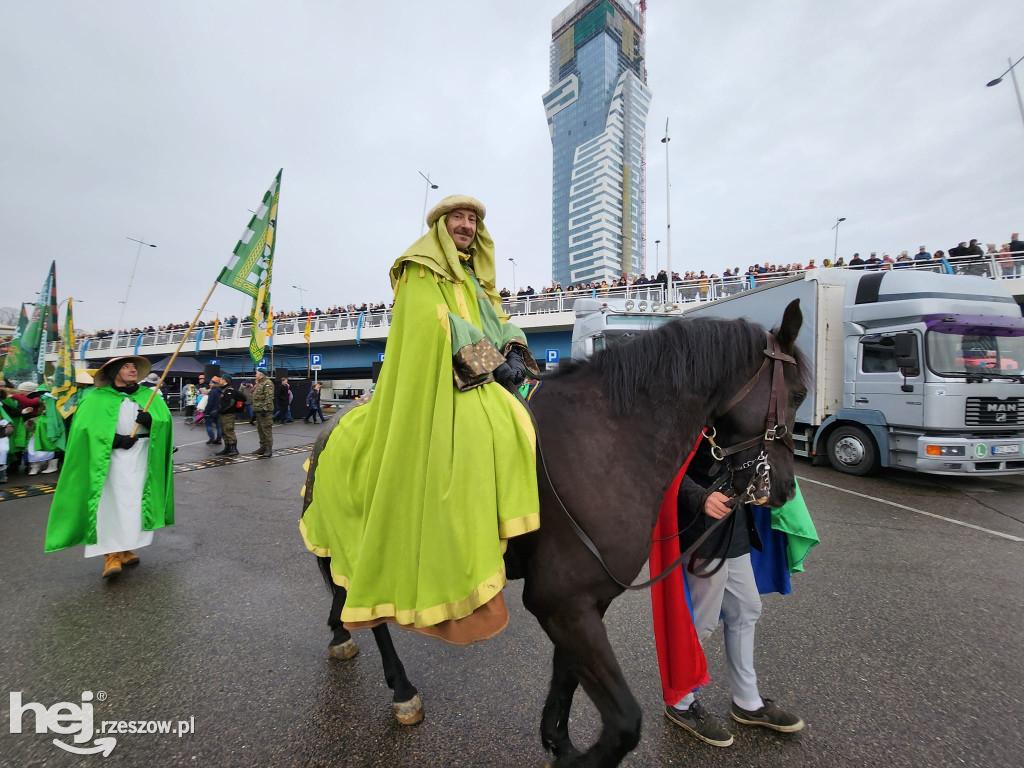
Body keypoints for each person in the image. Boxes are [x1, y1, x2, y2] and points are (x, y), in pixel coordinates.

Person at [300, 194, 540, 645]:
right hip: (439, 376)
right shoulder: (419, 267)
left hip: (479, 372)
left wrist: (512, 347)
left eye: (473, 219)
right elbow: (434, 325)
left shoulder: (473, 275)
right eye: (459, 218)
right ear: (441, 224)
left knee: (522, 417)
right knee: (475, 432)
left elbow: (496, 317)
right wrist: (489, 360)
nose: (467, 225)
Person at [663, 440, 809, 747]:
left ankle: (747, 700)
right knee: (700, 622)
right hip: (700, 528)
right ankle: (681, 703)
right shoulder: (690, 400)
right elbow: (663, 461)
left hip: (736, 524)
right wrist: (698, 496)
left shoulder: (742, 406)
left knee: (745, 608)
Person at [44, 356, 174, 578]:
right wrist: (115, 440)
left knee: (133, 504)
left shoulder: (148, 396)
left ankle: (124, 549)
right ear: (115, 373)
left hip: (142, 457)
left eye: (134, 366)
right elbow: (85, 431)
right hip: (109, 460)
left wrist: (152, 421)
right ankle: (110, 555)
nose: (133, 370)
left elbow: (165, 423)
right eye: (126, 366)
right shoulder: (96, 399)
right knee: (109, 504)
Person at [215, 374, 243, 457]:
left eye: (221, 379)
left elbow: (229, 403)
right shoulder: (224, 389)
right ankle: (227, 448)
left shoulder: (230, 390)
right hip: (223, 414)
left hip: (228, 414)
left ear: (224, 380)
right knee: (224, 431)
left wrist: (219, 410)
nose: (219, 380)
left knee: (229, 430)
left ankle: (234, 449)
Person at [250, 367, 275, 457]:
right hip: (258, 411)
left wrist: (265, 408)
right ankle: (262, 447)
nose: (255, 375)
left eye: (257, 373)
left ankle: (268, 449)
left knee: (266, 430)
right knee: (260, 430)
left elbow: (269, 397)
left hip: (265, 411)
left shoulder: (267, 383)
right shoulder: (259, 384)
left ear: (261, 374)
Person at [204, 377, 223, 445]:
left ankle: (212, 438)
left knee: (208, 425)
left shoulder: (212, 391)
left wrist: (206, 411)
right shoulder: (221, 391)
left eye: (211, 383)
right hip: (219, 411)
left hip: (211, 411)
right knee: (219, 426)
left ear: (214, 383)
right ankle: (219, 439)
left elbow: (210, 403)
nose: (209, 384)